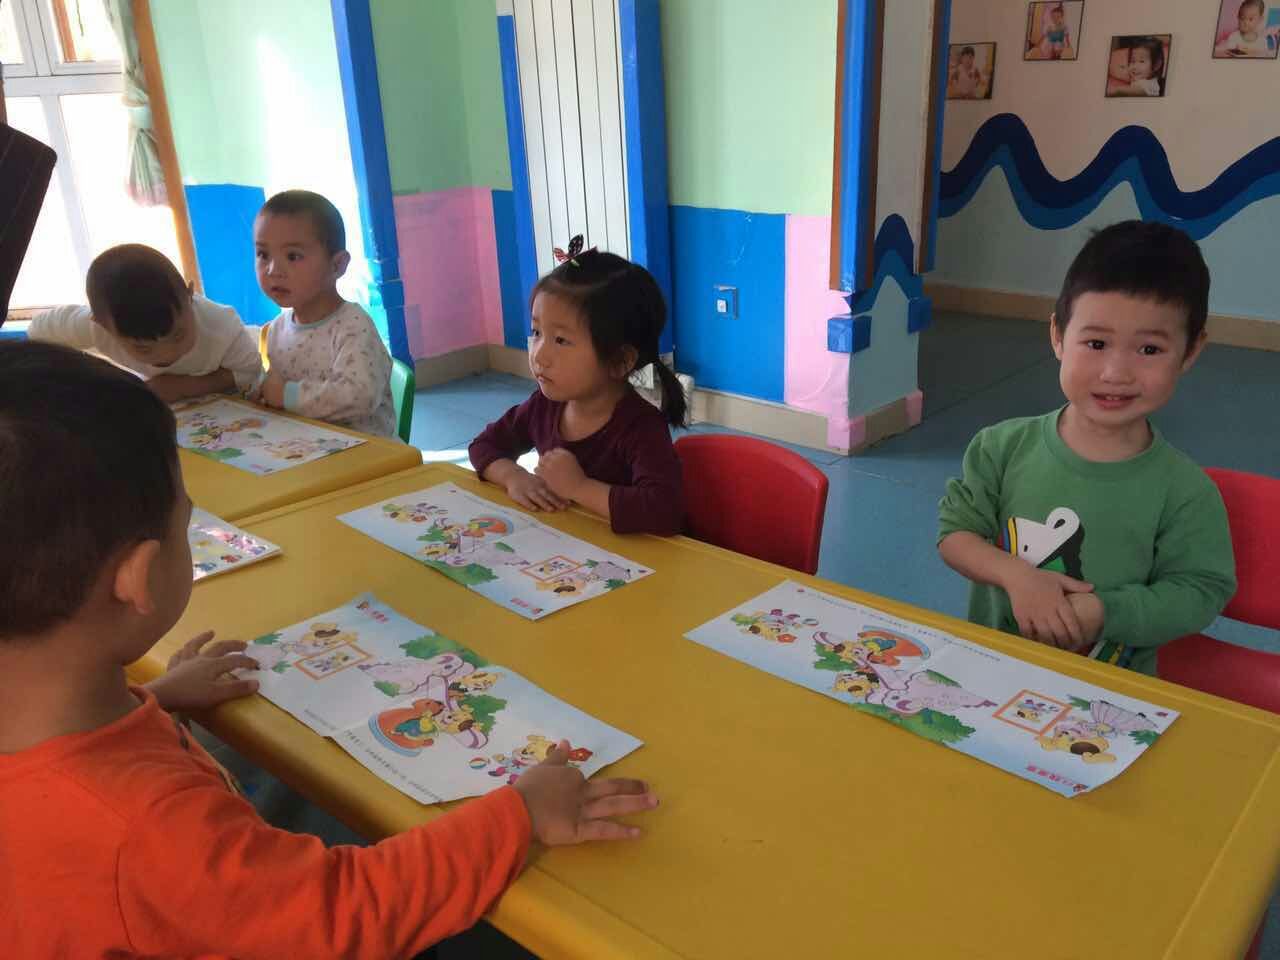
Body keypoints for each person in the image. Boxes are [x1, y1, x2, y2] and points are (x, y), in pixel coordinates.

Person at [0, 339, 657, 959]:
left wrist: (159, 697)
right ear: (140, 580)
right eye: (185, 525)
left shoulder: (55, 715)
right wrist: (520, 813)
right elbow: (343, 913)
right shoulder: (150, 831)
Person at [937, 221, 1236, 676]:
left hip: (1111, 698)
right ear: (1058, 336)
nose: (1116, 373)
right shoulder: (1000, 447)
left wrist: (1104, 611)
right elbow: (955, 535)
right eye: (1096, 343)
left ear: (1190, 352)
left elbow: (1200, 591)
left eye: (1149, 350)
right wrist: (1018, 576)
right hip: (993, 677)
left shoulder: (1185, 491)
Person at [469, 240, 686, 535]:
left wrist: (580, 488)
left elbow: (665, 512)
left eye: (561, 340)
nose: (539, 355)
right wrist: (513, 477)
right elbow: (484, 446)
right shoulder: (544, 406)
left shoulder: (641, 427)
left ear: (620, 361)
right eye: (537, 332)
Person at [27, 244, 262, 403]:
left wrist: (182, 386)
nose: (167, 354)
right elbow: (37, 331)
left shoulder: (221, 324)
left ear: (190, 296)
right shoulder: (93, 326)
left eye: (178, 335)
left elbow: (249, 371)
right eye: (143, 348)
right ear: (102, 326)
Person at [250, 190, 396, 437]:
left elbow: (359, 397)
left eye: (293, 256)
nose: (273, 270)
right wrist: (263, 393)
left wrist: (286, 395)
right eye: (263, 255)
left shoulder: (353, 327)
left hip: (366, 452)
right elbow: (277, 389)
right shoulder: (277, 329)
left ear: (337, 265)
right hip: (305, 446)